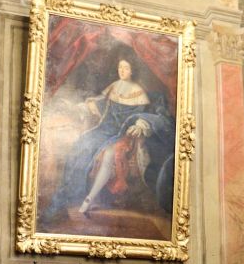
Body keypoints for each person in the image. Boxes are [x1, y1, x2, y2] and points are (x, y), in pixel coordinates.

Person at [41, 59, 175, 223]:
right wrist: (80, 107)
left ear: (132, 71)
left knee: (110, 153)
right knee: (82, 145)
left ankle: (89, 199)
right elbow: (100, 104)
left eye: (126, 67)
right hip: (103, 130)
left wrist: (141, 124)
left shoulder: (139, 92)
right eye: (120, 67)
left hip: (123, 132)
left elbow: (149, 113)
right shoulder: (114, 87)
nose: (122, 70)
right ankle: (72, 192)